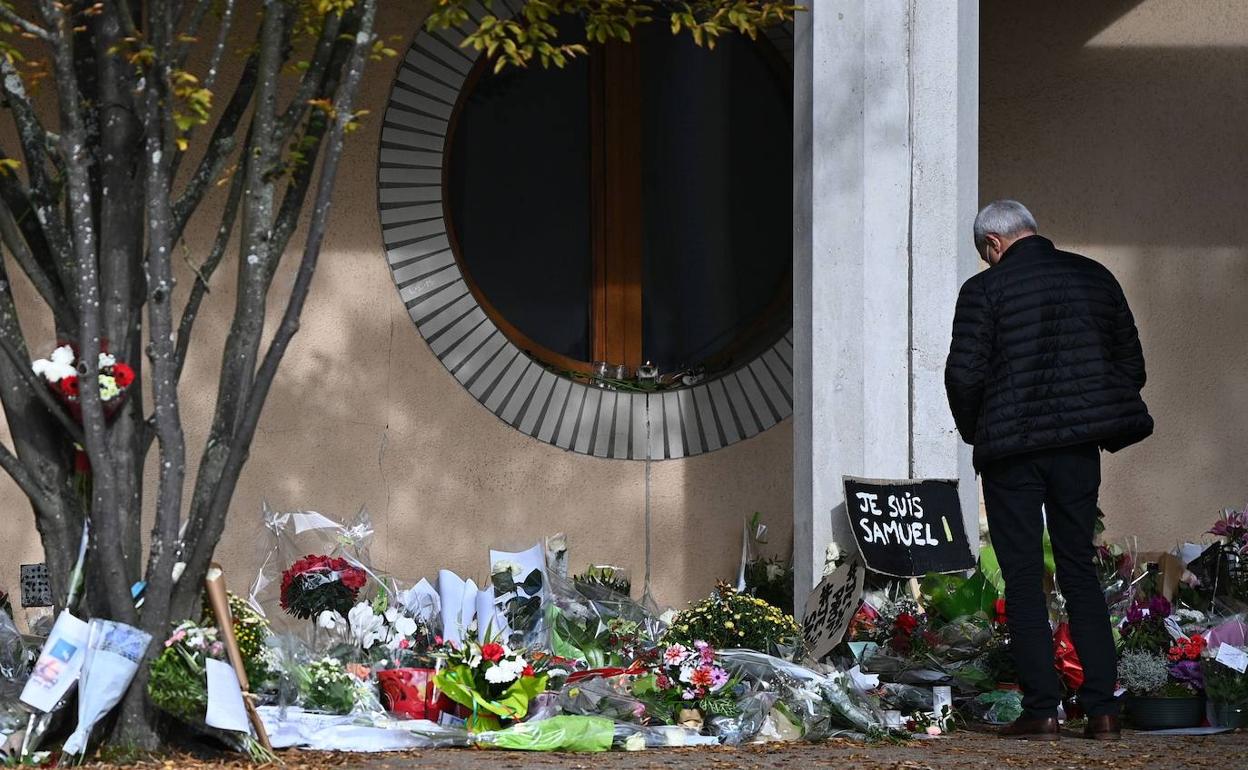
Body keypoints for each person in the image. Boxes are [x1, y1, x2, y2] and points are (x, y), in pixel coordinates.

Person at [945, 201, 1153, 741]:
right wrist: (1092, 413)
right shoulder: (1095, 277)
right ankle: (1103, 711)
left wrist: (979, 430)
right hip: (1078, 449)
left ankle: (1042, 711)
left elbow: (963, 376)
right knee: (1079, 569)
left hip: (1013, 451)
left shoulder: (983, 291)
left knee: (1022, 579)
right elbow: (1132, 365)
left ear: (992, 245)